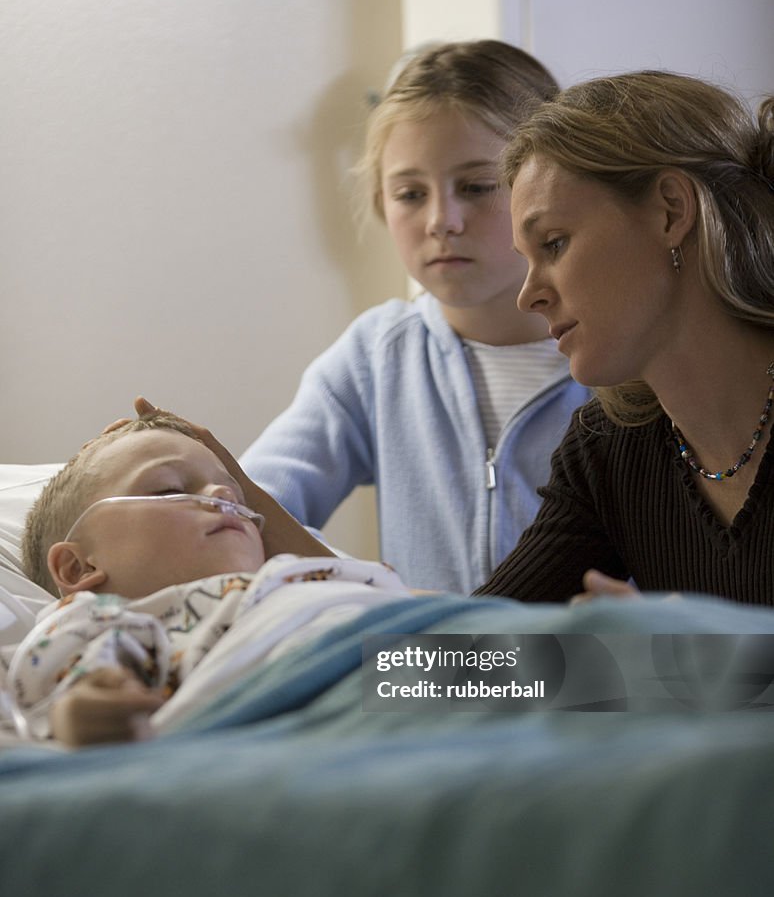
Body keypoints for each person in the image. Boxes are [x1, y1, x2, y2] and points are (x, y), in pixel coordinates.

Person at [239, 40, 590, 594]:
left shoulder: (620, 355)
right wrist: (371, 593)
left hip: (586, 676)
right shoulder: (377, 355)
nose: (441, 220)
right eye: (409, 193)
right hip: (426, 675)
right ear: (381, 202)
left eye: (476, 187)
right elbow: (249, 514)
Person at [473, 70, 774, 605]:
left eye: (555, 244)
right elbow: (459, 662)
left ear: (670, 211)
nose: (529, 296)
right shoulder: (607, 450)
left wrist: (665, 662)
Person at [7, 413, 410, 746]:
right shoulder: (107, 618)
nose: (221, 493)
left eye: (236, 497)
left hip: (398, 655)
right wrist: (81, 710)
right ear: (79, 568)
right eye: (168, 489)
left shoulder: (302, 576)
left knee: (467, 675)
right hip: (316, 692)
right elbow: (71, 677)